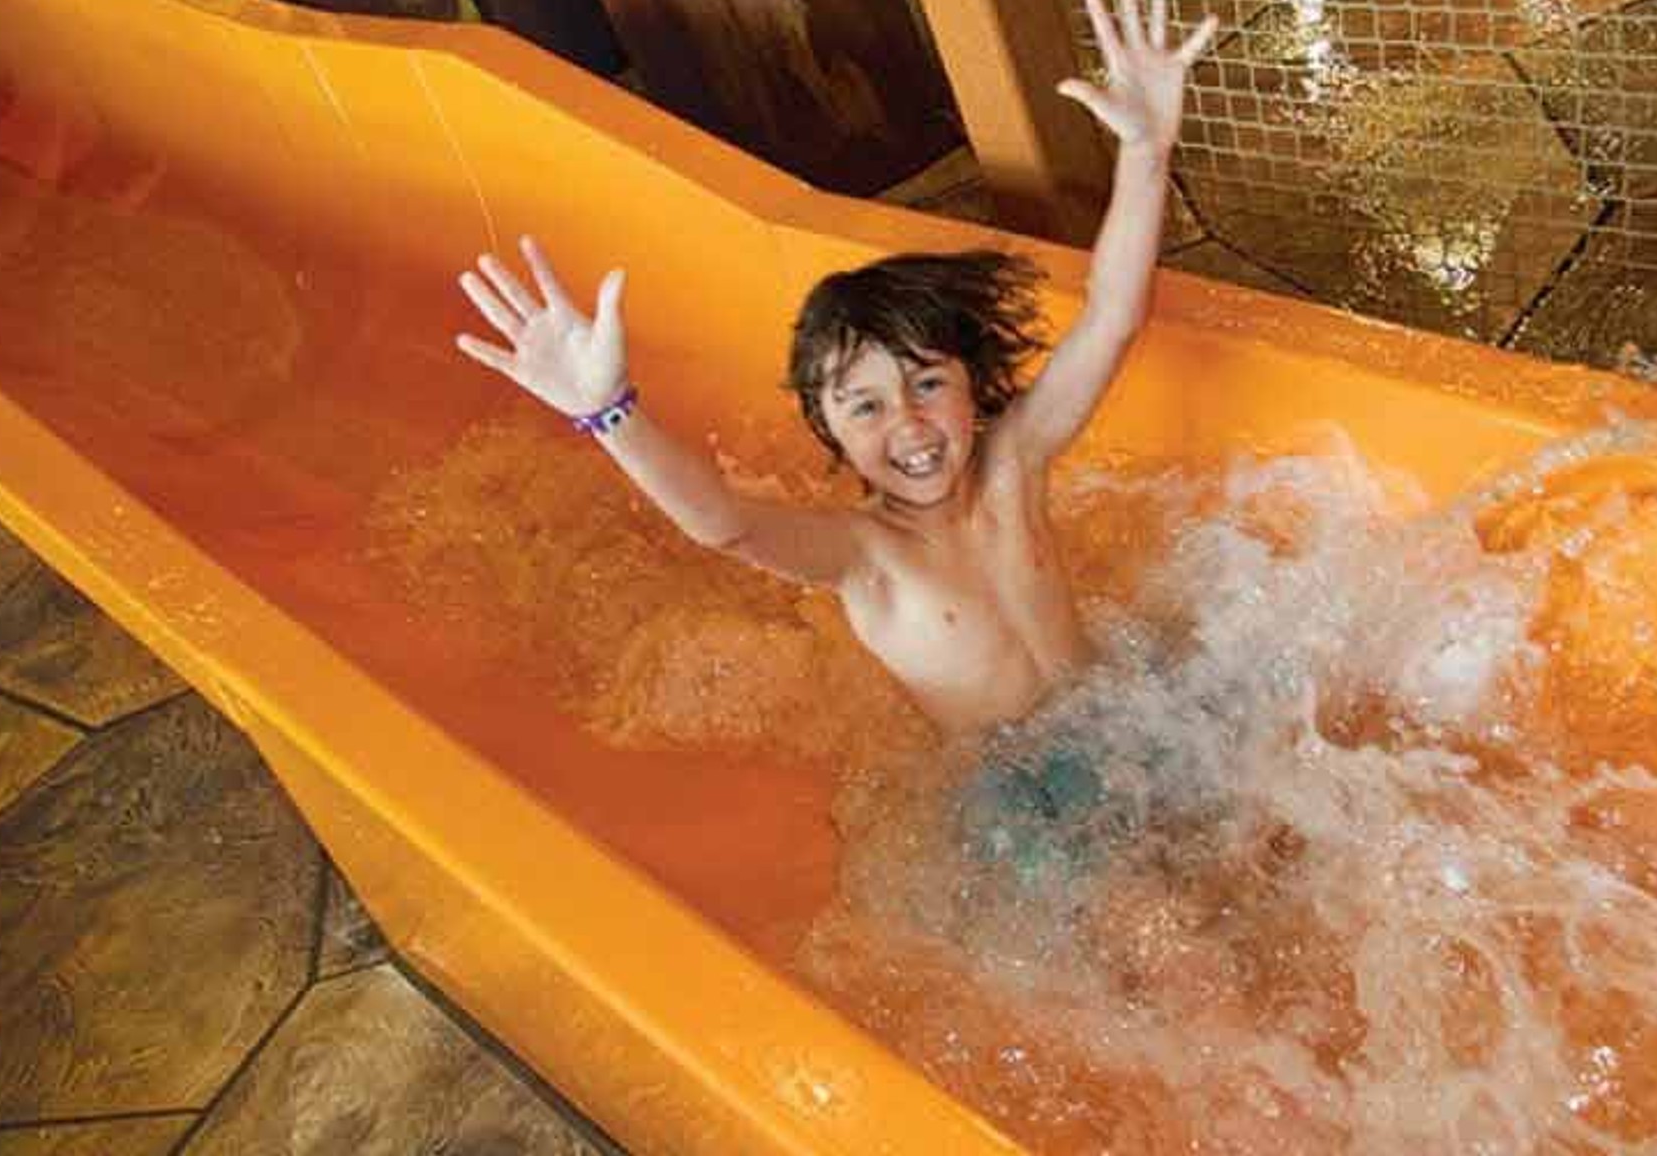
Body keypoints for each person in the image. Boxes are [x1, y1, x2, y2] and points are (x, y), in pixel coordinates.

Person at [455, 0, 1218, 818]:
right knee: (1158, 932)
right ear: (832, 435)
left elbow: (1111, 316)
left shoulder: (1016, 462)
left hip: (1111, 721)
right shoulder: (864, 556)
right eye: (866, 409)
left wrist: (1144, 150)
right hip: (1020, 792)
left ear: (972, 384)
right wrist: (610, 412)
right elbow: (722, 524)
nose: (910, 425)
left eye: (928, 385)